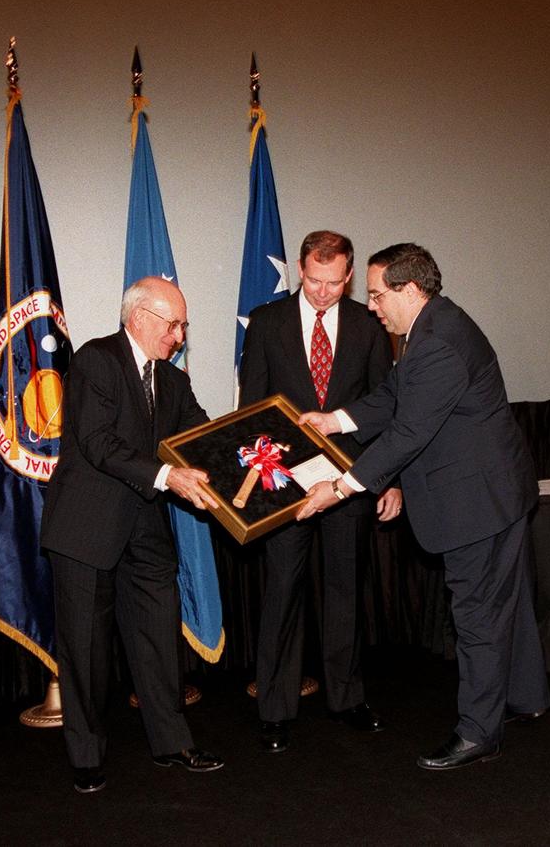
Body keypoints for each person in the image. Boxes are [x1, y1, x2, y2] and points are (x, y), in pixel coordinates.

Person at [297, 243, 550, 770]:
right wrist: (335, 420)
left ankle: (480, 732)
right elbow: (393, 396)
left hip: (477, 500)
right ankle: (525, 698)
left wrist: (341, 488)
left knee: (478, 612)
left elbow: (408, 432)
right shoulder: (429, 327)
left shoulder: (437, 342)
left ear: (410, 291)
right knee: (507, 603)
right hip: (495, 489)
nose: (371, 307)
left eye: (376, 295)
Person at [40, 276, 225, 794]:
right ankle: (86, 755)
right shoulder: (96, 360)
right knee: (86, 650)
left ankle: (172, 742)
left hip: (145, 528)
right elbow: (99, 444)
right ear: (140, 318)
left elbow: (202, 438)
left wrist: (256, 452)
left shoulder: (173, 380)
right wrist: (168, 477)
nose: (180, 335)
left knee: (158, 641)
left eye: (184, 325)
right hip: (86, 529)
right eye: (174, 324)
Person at [239, 230, 402, 753]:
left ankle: (347, 698)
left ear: (349, 276)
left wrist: (388, 476)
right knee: (283, 591)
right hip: (284, 482)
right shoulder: (266, 322)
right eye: (314, 280)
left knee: (343, 590)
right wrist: (264, 481)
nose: (323, 291)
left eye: (335, 283)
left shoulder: (368, 326)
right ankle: (276, 709)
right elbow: (253, 411)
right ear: (300, 269)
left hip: (348, 482)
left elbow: (386, 408)